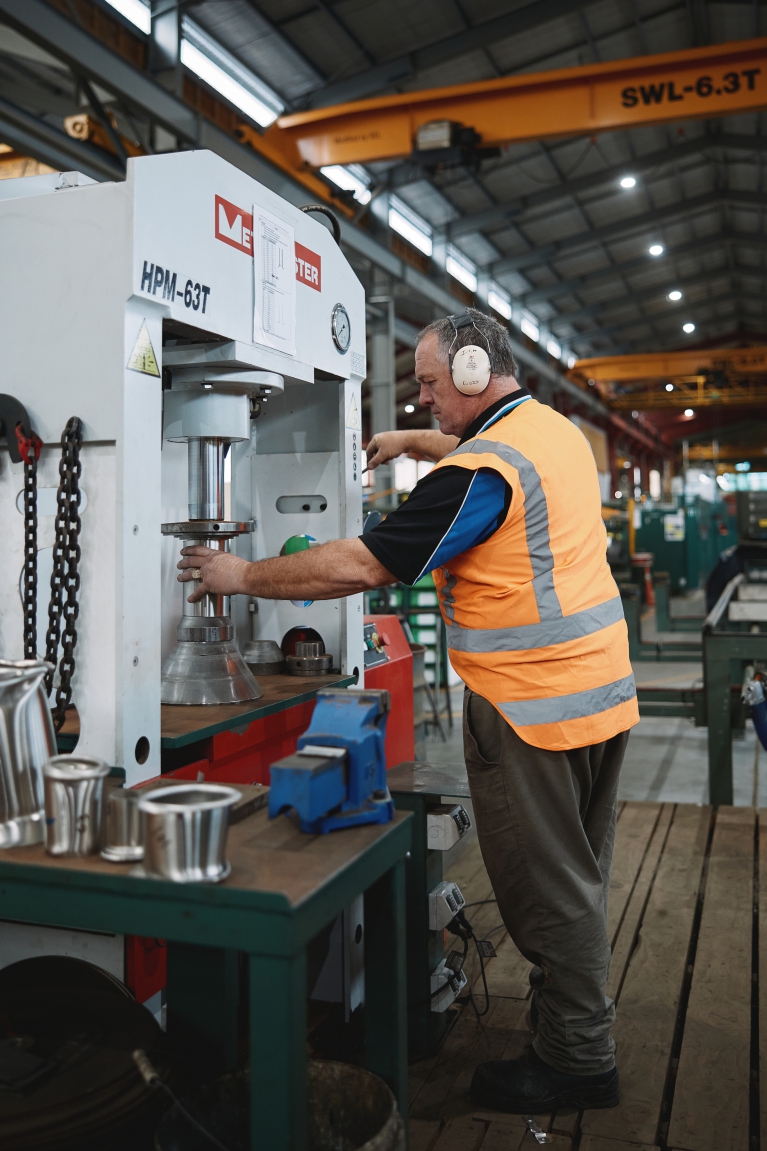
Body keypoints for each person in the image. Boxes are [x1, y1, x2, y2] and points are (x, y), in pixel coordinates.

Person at [178, 307, 639, 1114]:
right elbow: (473, 448)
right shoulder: (550, 433)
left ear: (467, 372)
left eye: (427, 385)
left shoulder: (477, 477)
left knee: (547, 889)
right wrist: (403, 444)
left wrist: (240, 576)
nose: (421, 400)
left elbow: (363, 562)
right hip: (599, 695)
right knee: (580, 875)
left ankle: (576, 1058)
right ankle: (572, 1020)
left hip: (530, 711)